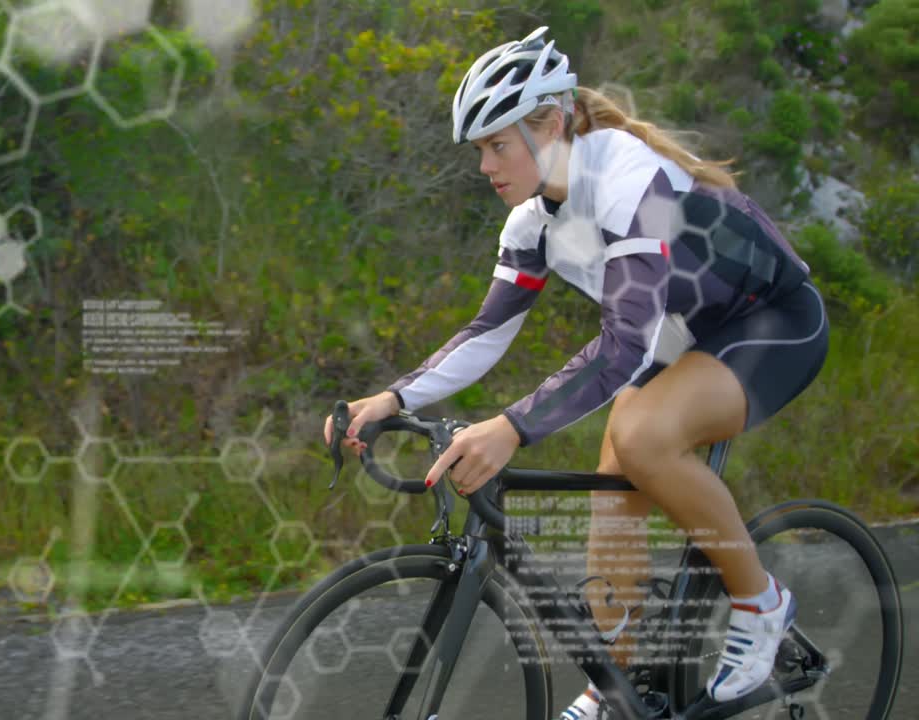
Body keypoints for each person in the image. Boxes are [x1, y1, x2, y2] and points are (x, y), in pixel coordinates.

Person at [322, 26, 829, 719]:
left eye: (498, 145)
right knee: (614, 487)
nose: (484, 166)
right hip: (683, 341)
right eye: (480, 149)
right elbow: (486, 333)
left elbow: (624, 349)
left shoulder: (635, 181)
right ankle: (616, 687)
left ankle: (760, 605)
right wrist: (389, 397)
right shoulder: (531, 222)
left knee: (641, 430)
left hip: (773, 325)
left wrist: (509, 428)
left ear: (552, 125)